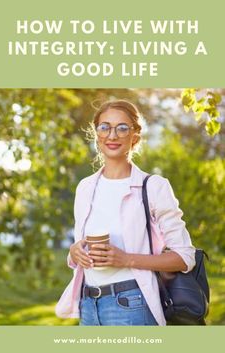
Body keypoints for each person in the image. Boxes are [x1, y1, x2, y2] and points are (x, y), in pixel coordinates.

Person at [55, 99, 196, 326]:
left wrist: (126, 259)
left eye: (122, 128)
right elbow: (79, 250)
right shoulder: (85, 188)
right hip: (88, 307)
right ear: (96, 134)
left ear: (135, 137)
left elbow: (184, 258)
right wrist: (74, 252)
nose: (113, 135)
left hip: (132, 306)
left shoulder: (154, 186)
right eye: (105, 127)